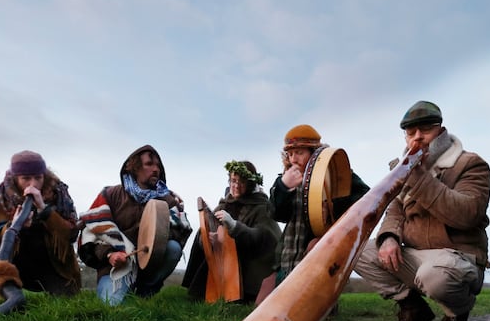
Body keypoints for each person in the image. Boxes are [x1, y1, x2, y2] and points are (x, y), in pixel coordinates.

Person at [354, 101, 490, 321]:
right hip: (417, 256)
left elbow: (467, 214)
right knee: (356, 250)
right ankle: (412, 307)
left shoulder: (471, 164)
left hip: (457, 257)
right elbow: (395, 210)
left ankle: (456, 313)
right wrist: (388, 237)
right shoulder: (405, 168)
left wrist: (417, 177)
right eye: (410, 133)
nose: (417, 138)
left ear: (440, 130)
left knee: (434, 276)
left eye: (425, 130)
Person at [78, 145, 191, 306]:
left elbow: (181, 231)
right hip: (115, 268)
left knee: (173, 248)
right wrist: (110, 255)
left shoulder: (167, 201)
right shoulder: (110, 195)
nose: (155, 169)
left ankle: (145, 290)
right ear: (135, 168)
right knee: (113, 307)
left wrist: (157, 232)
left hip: (147, 267)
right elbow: (89, 233)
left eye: (158, 165)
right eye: (149, 164)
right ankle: (123, 289)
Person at [0, 150, 82, 311]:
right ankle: (10, 294)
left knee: (66, 302)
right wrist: (13, 226)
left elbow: (71, 235)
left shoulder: (59, 194)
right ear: (16, 179)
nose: (33, 184)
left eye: (38, 178)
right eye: (26, 178)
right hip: (19, 264)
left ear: (44, 176)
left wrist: (44, 209)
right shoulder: (2, 199)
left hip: (52, 263)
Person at [269, 124, 369, 283]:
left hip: (321, 249)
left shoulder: (335, 173)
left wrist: (332, 209)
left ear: (314, 152)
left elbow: (365, 197)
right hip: (288, 255)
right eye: (290, 154)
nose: (294, 159)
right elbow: (277, 214)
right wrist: (283, 187)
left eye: (299, 153)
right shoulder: (284, 179)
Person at [182, 160, 281, 304]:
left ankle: (240, 296)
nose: (236, 186)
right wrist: (210, 240)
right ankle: (202, 293)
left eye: (242, 182)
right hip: (225, 266)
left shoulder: (262, 207)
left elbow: (261, 238)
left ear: (251, 184)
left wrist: (235, 226)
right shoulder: (225, 204)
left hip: (249, 265)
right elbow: (206, 230)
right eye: (233, 181)